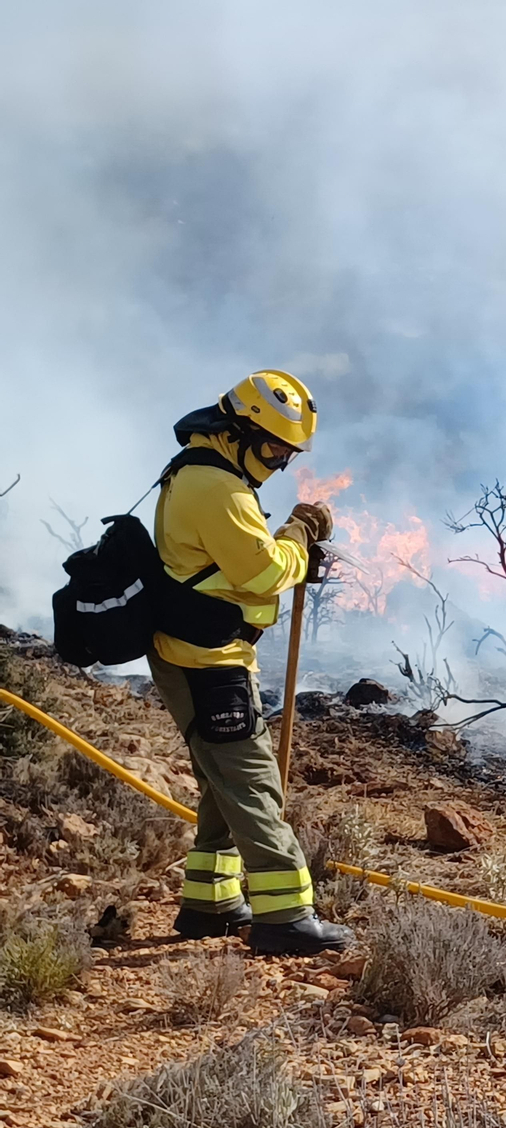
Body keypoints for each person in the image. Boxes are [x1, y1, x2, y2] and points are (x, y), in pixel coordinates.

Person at [147, 370, 352, 956]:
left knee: (223, 777)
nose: (280, 461)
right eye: (273, 447)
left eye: (288, 452)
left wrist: (290, 551)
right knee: (255, 781)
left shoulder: (211, 474)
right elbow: (262, 571)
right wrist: (296, 536)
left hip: (212, 653)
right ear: (238, 430)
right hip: (205, 659)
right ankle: (285, 918)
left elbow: (237, 571)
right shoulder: (215, 486)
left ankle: (209, 904)